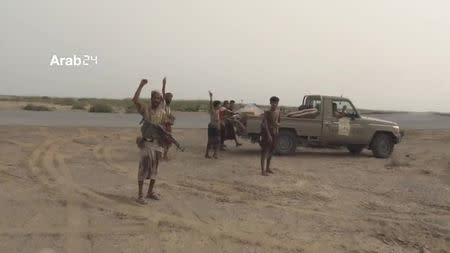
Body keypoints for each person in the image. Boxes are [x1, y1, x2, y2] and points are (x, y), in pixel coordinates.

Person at [133, 78, 167, 204]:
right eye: (155, 98)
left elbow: (166, 126)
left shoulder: (162, 112)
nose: (156, 100)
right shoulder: (145, 110)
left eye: (159, 98)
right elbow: (135, 100)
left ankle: (150, 192)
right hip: (146, 143)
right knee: (143, 169)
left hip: (158, 145)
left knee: (154, 170)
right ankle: (140, 195)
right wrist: (141, 85)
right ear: (151, 98)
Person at [260, 96, 281, 176]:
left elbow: (279, 123)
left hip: (274, 133)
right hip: (266, 134)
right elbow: (265, 125)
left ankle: (268, 168)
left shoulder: (278, 112)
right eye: (273, 103)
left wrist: (277, 124)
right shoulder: (267, 112)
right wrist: (269, 135)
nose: (275, 104)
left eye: (276, 103)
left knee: (271, 151)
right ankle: (263, 170)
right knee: (264, 152)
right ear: (270, 103)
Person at [161, 77, 175, 160]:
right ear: (165, 98)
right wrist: (164, 84)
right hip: (163, 125)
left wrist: (172, 117)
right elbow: (163, 93)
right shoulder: (163, 104)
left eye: (171, 97)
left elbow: (169, 115)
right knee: (165, 141)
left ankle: (164, 155)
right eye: (168, 97)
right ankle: (163, 155)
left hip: (168, 125)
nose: (170, 98)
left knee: (168, 142)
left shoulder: (168, 106)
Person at [205, 91, 221, 159]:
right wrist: (211, 97)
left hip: (216, 127)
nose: (220, 106)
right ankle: (207, 154)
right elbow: (210, 104)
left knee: (217, 140)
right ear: (216, 105)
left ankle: (215, 154)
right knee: (210, 141)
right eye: (219, 105)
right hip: (212, 127)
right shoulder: (213, 110)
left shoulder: (217, 111)